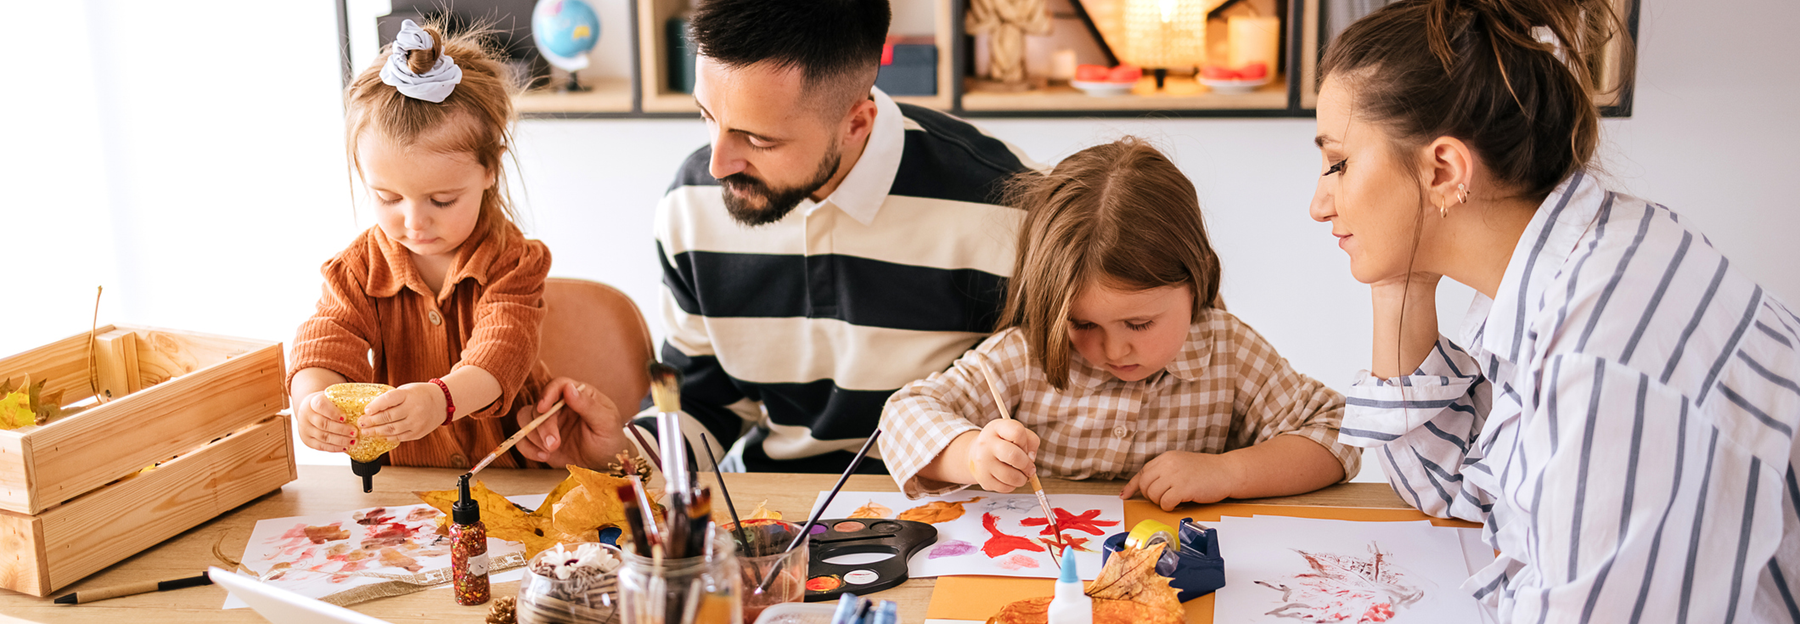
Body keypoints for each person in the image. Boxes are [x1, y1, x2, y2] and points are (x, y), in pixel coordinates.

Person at [1310, 0, 1800, 619]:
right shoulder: (1574, 264)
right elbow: (1461, 490)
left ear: (1443, 169)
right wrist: (1397, 280)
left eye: (1338, 163)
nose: (1320, 205)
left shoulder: (1604, 355)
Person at [577, 0, 1039, 474]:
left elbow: (1075, 391)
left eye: (758, 140)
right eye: (707, 116)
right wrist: (623, 452)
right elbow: (706, 405)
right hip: (777, 514)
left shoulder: (1006, 207)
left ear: (856, 123)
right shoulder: (691, 202)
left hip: (956, 513)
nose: (717, 165)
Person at [882, 138, 1360, 511]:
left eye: (1139, 323)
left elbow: (1338, 433)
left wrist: (1229, 473)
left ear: (1195, 280)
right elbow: (901, 418)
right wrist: (971, 454)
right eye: (1081, 323)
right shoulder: (1024, 355)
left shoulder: (1228, 351)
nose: (1113, 350)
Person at [289, 20, 558, 470]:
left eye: (442, 200)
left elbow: (502, 350)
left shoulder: (514, 262)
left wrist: (443, 400)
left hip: (514, 476)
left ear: (490, 169)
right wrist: (312, 401)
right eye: (388, 198)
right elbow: (327, 339)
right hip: (407, 485)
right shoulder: (357, 270)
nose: (414, 222)